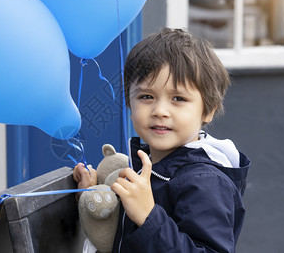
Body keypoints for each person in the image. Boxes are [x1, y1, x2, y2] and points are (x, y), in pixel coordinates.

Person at [73, 28, 250, 252]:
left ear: (208, 110)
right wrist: (92, 195)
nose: (160, 110)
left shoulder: (204, 182)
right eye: (146, 96)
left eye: (178, 98)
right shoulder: (149, 166)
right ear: (129, 103)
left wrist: (149, 216)